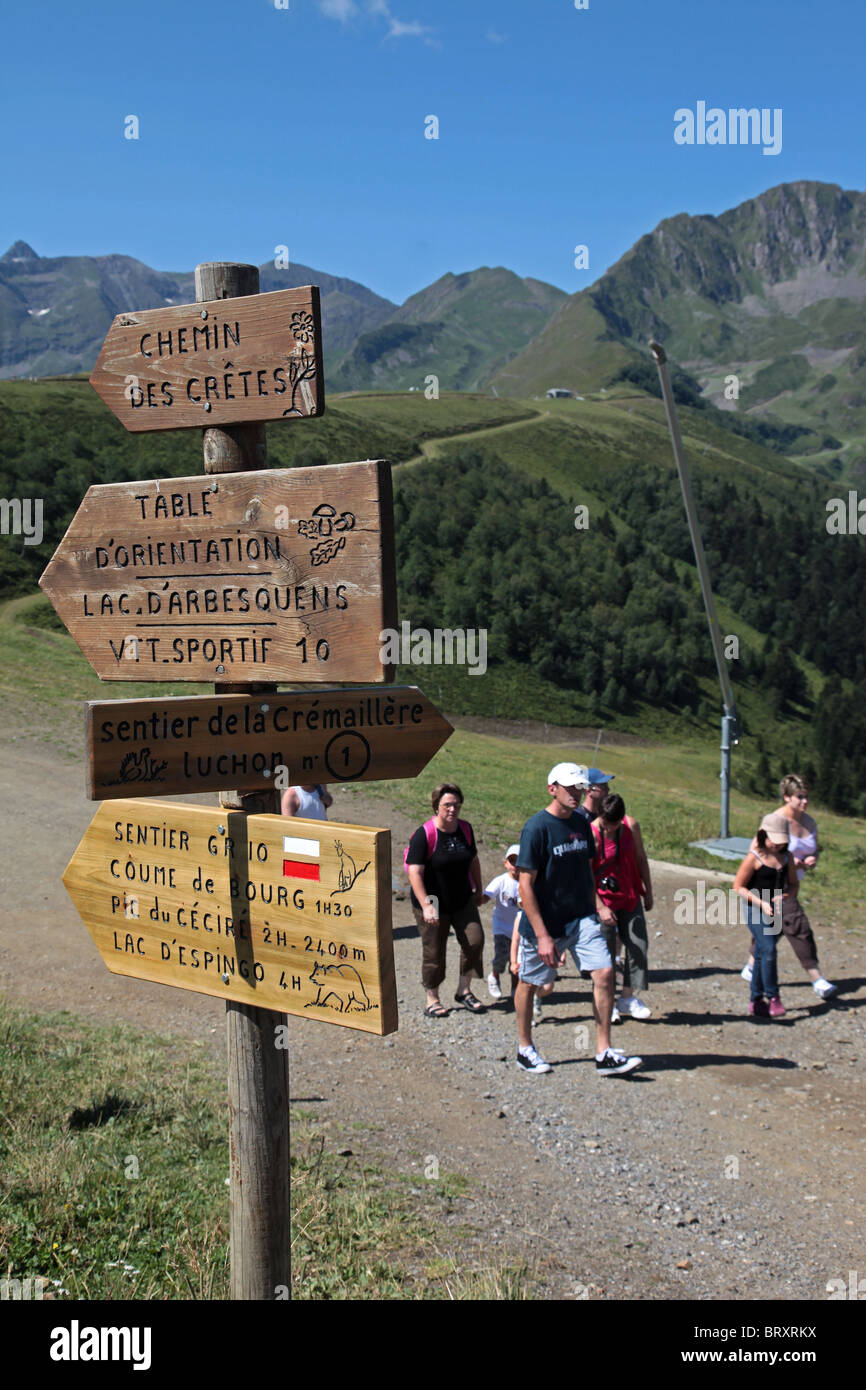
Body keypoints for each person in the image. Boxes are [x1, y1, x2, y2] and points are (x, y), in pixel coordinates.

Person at [513, 762, 642, 1076]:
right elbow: (525, 885)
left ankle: (604, 1052)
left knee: (606, 972)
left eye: (580, 787)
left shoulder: (583, 824)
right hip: (546, 923)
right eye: (570, 787)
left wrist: (598, 905)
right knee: (530, 983)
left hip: (581, 918)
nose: (577, 793)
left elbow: (586, 871)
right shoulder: (536, 827)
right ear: (552, 788)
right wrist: (543, 936)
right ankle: (525, 1048)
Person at [741, 775, 837, 1000]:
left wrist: (812, 859)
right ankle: (817, 979)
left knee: (774, 926)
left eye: (806, 797)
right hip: (772, 882)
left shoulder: (809, 822)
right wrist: (785, 861)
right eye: (799, 797)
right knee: (797, 925)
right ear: (786, 797)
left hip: (793, 882)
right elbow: (754, 850)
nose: (804, 802)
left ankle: (751, 966)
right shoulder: (774, 820)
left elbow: (814, 850)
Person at [406, 783, 486, 1017]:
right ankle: (432, 998)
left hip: (462, 898)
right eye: (447, 805)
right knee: (434, 951)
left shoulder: (465, 830)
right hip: (432, 901)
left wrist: (479, 888)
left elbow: (474, 861)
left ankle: (464, 990)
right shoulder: (425, 834)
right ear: (436, 806)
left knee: (475, 941)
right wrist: (426, 905)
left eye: (456, 805)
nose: (452, 809)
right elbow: (414, 872)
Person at [591, 792, 653, 1020]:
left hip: (630, 896)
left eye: (614, 824)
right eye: (605, 824)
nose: (609, 829)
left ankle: (627, 997)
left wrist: (648, 891)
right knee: (604, 956)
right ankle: (606, 1001)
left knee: (639, 946)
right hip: (604, 901)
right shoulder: (592, 833)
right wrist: (599, 906)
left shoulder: (631, 827)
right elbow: (585, 875)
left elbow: (641, 858)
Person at [733, 811, 798, 1018]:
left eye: (781, 841)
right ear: (764, 836)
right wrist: (760, 903)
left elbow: (794, 884)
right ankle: (773, 996)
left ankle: (755, 1000)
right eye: (773, 840)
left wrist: (786, 896)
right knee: (769, 949)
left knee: (761, 952)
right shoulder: (755, 857)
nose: (776, 845)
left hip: (775, 908)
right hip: (754, 906)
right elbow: (738, 887)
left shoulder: (787, 858)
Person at [483, 845, 522, 1003]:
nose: (515, 865)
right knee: (501, 956)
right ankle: (494, 975)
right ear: (505, 863)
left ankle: (515, 988)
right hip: (501, 927)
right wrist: (480, 898)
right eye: (512, 861)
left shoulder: (525, 882)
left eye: (519, 861)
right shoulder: (501, 881)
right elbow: (487, 894)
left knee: (517, 960)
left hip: (519, 930)